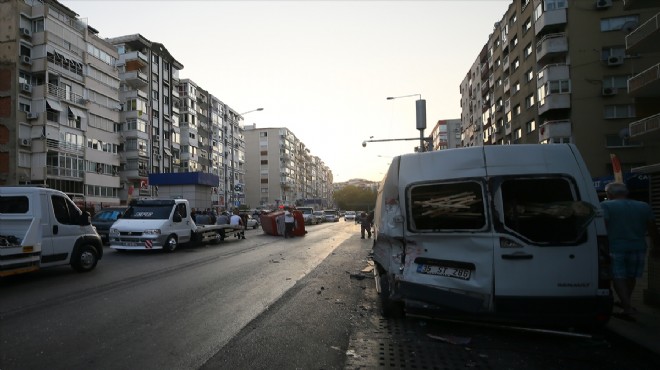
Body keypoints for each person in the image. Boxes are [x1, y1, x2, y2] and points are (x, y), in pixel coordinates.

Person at [601, 182, 660, 321]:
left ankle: (627, 308)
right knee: (630, 276)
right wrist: (656, 246)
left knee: (618, 276)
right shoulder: (643, 206)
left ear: (609, 194)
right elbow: (652, 227)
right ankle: (626, 301)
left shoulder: (606, 206)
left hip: (615, 247)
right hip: (638, 247)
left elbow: (603, 226)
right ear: (626, 193)